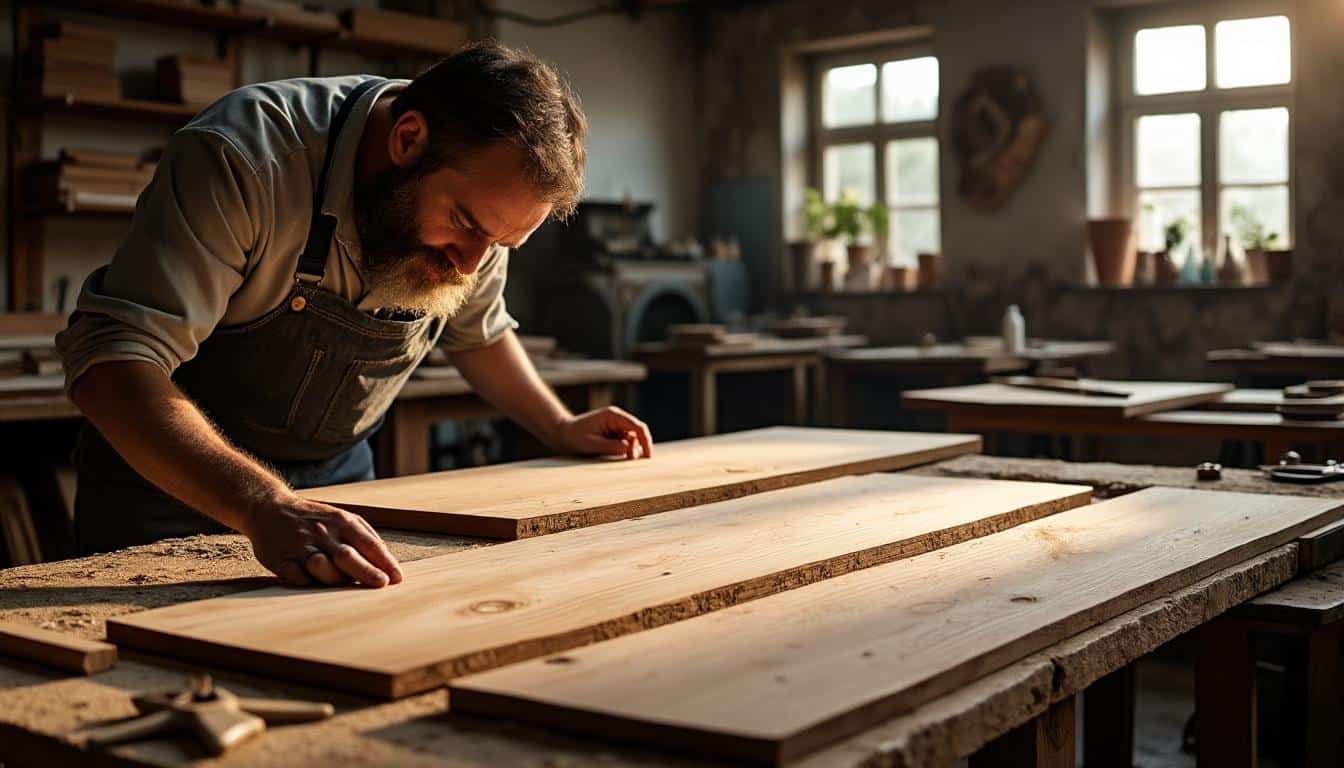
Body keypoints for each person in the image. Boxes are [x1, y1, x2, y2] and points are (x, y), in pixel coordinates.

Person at [55, 41, 653, 589]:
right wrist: (265, 504)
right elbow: (114, 366)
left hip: (337, 489)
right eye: (467, 226)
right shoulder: (247, 158)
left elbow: (478, 333)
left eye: (499, 245)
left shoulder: (480, 214)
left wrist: (557, 426)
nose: (471, 265)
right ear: (408, 139)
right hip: (172, 491)